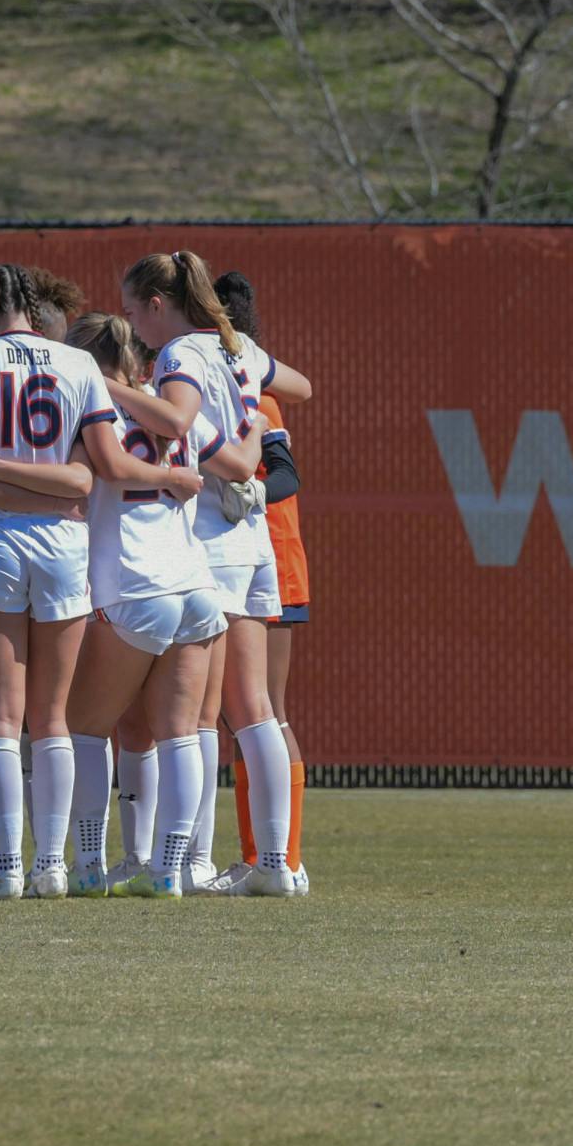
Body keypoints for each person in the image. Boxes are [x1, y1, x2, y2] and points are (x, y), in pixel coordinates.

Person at [0, 264, 200, 899]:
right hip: (63, 541)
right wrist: (49, 483)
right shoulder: (77, 365)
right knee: (51, 718)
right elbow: (93, 474)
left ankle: (9, 869)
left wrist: (2, 473)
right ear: (34, 307)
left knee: (1, 716)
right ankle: (52, 865)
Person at [111, 250, 312, 898]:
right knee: (253, 710)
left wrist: (102, 383)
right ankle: (277, 862)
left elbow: (175, 420)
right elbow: (302, 386)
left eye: (132, 310)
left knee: (199, 713)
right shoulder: (238, 346)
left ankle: (192, 860)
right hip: (254, 539)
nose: (132, 325)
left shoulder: (177, 357)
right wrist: (252, 423)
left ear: (158, 304)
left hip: (210, 542)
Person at [60, 313, 258, 898]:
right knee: (179, 733)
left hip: (136, 582)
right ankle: (172, 867)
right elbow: (239, 462)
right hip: (195, 583)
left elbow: (98, 471)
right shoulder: (176, 410)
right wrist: (263, 422)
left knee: (84, 728)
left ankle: (91, 864)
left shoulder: (91, 407)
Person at [213, 271, 312, 897]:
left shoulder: (255, 397)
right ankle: (269, 857)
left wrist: (246, 491)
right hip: (256, 565)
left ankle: (279, 857)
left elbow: (286, 474)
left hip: (268, 565)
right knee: (251, 714)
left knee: (262, 712)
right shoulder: (231, 390)